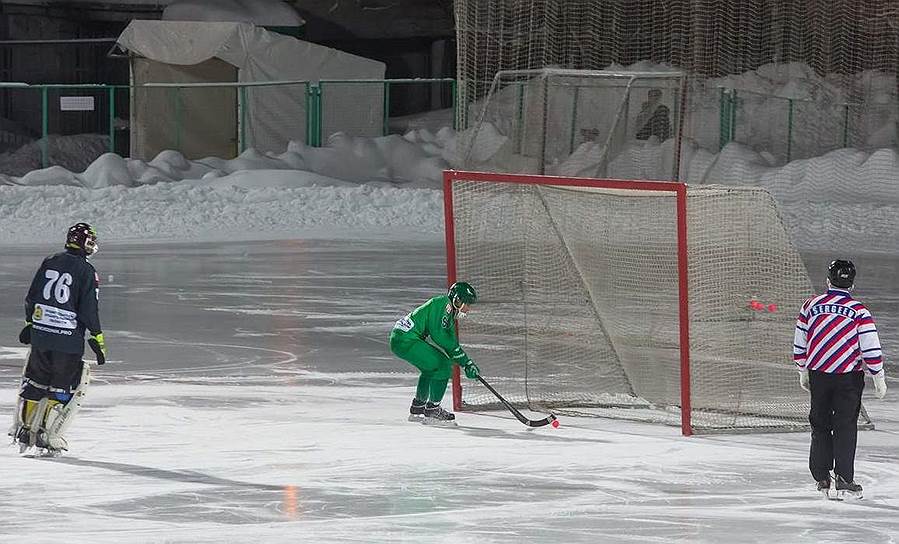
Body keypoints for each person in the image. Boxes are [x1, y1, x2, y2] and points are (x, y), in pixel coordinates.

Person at [10, 222, 107, 454]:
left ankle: (25, 429)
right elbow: (88, 309)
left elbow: (32, 296)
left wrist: (29, 323)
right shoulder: (87, 271)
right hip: (67, 341)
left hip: (42, 337)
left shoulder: (50, 261)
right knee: (62, 388)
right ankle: (47, 434)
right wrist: (97, 337)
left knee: (35, 383)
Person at [793, 259, 887, 499]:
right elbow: (870, 346)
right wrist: (878, 374)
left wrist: (802, 368)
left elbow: (800, 339)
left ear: (827, 281)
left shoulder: (810, 306)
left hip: (819, 375)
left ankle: (822, 477)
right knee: (845, 426)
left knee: (820, 424)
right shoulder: (859, 311)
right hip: (848, 377)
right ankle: (844, 479)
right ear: (852, 285)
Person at [389, 281, 480, 425]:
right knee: (443, 366)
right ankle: (432, 410)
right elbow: (439, 336)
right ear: (458, 299)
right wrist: (462, 360)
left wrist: (465, 362)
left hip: (402, 338)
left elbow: (451, 342)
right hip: (406, 340)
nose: (468, 309)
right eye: (467, 304)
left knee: (430, 369)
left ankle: (418, 407)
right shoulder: (443, 304)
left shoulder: (449, 311)